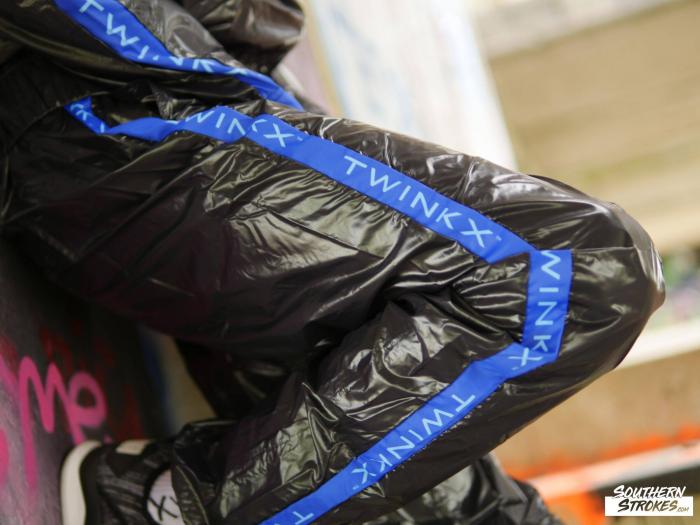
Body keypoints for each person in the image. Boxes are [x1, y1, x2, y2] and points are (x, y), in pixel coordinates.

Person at [0, 1, 664, 524]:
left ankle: (185, 507)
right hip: (112, 138)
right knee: (581, 275)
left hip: (129, 135)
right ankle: (182, 505)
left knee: (585, 274)